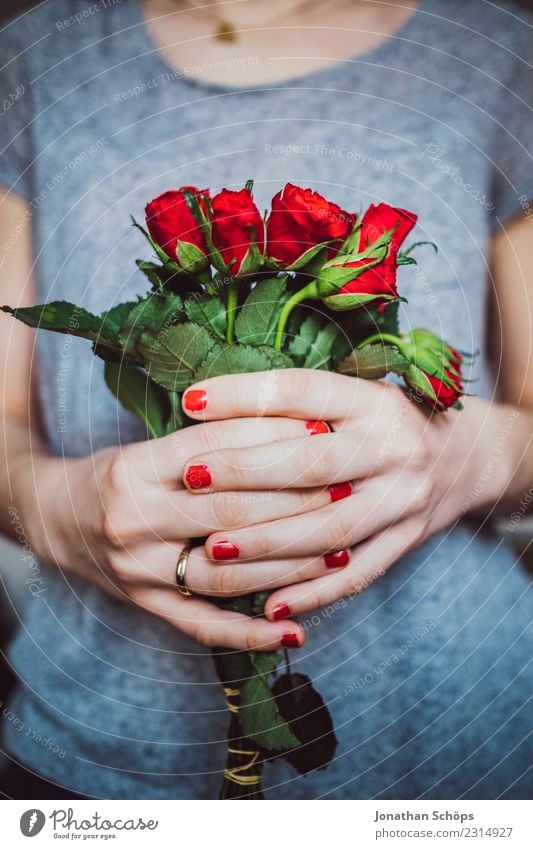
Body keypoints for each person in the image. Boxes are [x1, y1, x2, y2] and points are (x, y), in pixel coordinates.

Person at [0, 0, 532, 800]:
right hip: (106, 753)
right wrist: (53, 505)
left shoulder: (495, 48)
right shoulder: (36, 55)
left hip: (461, 732)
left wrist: (460, 455)